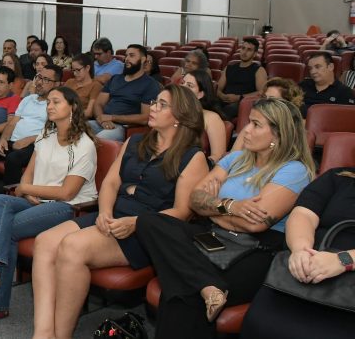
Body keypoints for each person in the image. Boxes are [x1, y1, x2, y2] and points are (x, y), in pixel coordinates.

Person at [31, 85, 209, 338]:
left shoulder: (193, 157)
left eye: (162, 105)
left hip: (148, 230)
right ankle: (43, 332)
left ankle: (61, 335)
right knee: (44, 241)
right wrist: (104, 211)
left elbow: (182, 212)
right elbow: (111, 183)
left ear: (180, 117)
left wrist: (136, 222)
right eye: (154, 101)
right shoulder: (135, 141)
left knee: (72, 247)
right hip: (113, 216)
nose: (153, 108)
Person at [135, 97, 315, 339]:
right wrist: (231, 206)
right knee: (149, 221)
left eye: (255, 125)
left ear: (278, 135)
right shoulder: (235, 159)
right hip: (211, 235)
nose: (245, 130)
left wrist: (214, 208)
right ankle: (208, 286)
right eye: (248, 122)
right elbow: (195, 199)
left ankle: (205, 287)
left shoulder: (293, 170)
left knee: (180, 290)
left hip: (257, 250)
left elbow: (256, 223)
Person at [0, 86, 99, 325]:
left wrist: (27, 190)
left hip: (70, 208)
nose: (49, 106)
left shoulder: (84, 145)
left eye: (56, 102)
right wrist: (27, 190)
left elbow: (67, 192)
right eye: (48, 102)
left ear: (72, 107)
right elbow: (26, 178)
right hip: (36, 202)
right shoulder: (45, 136)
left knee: (7, 228)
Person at [241, 167, 355, 339]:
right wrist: (300, 249)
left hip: (349, 285)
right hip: (306, 266)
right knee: (261, 324)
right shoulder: (339, 177)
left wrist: (343, 260)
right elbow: (303, 214)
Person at [0, 65, 61, 216]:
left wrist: (30, 140)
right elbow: (12, 122)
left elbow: (55, 131)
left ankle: (9, 202)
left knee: (13, 159)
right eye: (38, 77)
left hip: (37, 145)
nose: (39, 82)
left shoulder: (56, 104)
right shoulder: (28, 100)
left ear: (57, 84)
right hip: (13, 141)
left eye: (46, 80)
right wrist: (3, 138)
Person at [90, 44, 161, 142]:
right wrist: (102, 120)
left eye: (131, 56)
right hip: (101, 122)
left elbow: (145, 117)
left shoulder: (150, 84)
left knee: (96, 141)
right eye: (126, 55)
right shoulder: (115, 79)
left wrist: (112, 117)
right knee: (71, 130)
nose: (127, 59)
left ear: (143, 59)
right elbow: (99, 104)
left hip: (122, 127)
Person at [230, 77, 304, 153]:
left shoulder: (293, 131)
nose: (264, 102)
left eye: (271, 100)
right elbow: (232, 158)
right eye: (264, 98)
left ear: (286, 105)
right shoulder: (250, 127)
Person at [181, 70, 227, 164]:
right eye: (182, 83)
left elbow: (218, 156)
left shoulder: (211, 118)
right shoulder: (171, 111)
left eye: (189, 85)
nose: (182, 87)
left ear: (200, 94)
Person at [216, 37, 267, 119]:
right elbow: (218, 89)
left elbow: (261, 92)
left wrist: (239, 97)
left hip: (243, 103)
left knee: (230, 109)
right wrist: (221, 95)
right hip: (223, 100)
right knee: (208, 104)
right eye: (243, 48)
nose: (244, 52)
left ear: (254, 54)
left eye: (249, 50)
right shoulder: (229, 67)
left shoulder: (259, 70)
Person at [299, 51, 354, 116]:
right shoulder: (303, 85)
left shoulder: (344, 92)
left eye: (317, 67)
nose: (313, 72)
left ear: (331, 67)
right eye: (310, 68)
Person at [64, 52, 102, 118]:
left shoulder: (95, 86)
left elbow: (89, 113)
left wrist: (70, 113)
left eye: (78, 70)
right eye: (73, 70)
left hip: (80, 120)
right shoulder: (69, 82)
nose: (75, 73)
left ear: (87, 68)